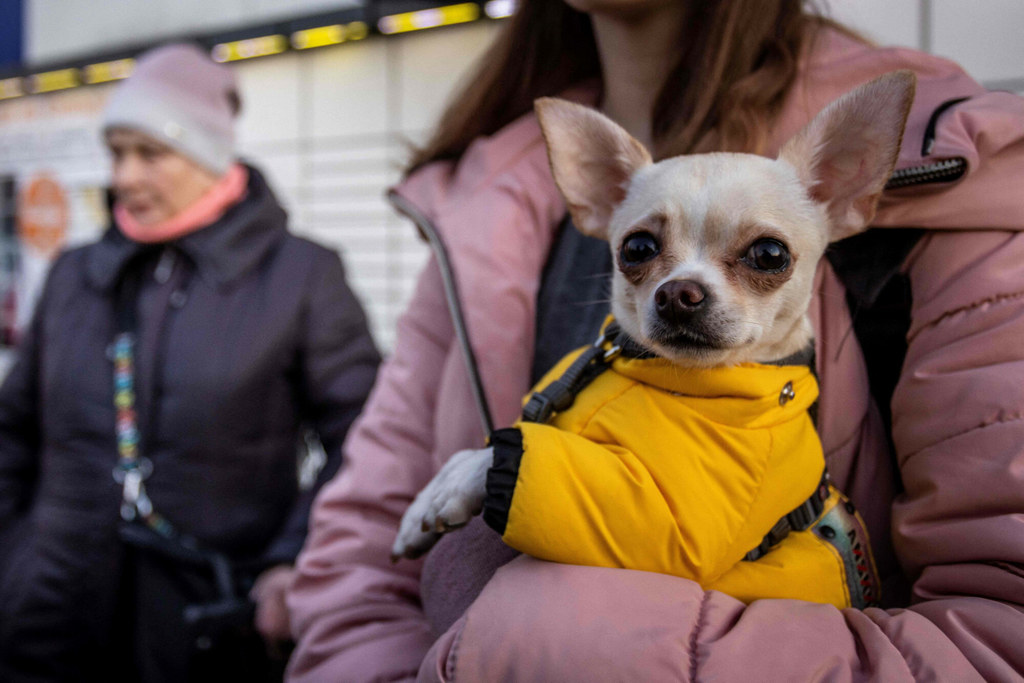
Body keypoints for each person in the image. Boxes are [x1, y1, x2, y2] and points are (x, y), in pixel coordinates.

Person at [288, 1, 1024, 680]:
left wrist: (504, 630)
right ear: (600, 197)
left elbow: (997, 638)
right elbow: (359, 549)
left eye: (762, 258)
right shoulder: (478, 199)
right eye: (643, 253)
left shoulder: (959, 174)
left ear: (847, 192)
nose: (683, 290)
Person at [0, 43, 380, 682]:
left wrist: (293, 561)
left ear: (208, 155)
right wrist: (14, 561)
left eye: (151, 153)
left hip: (210, 627)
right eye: (117, 153)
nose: (124, 177)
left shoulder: (302, 276)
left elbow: (365, 439)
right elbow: (13, 432)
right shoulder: (75, 275)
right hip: (48, 620)